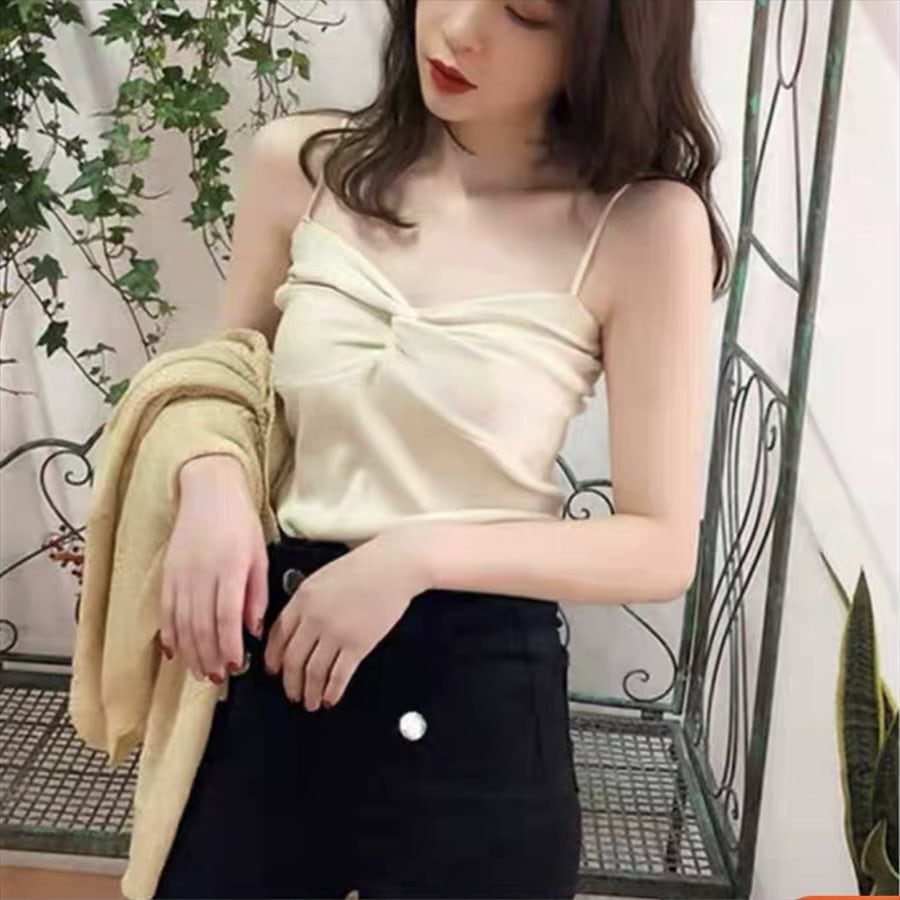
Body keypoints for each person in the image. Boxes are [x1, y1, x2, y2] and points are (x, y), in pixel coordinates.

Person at [153, 0, 728, 897]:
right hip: (281, 654)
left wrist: (413, 557)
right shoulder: (302, 165)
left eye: (524, 14)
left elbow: (659, 546)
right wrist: (211, 480)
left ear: (605, 43)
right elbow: (228, 385)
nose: (459, 29)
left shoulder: (644, 224)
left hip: (476, 692)